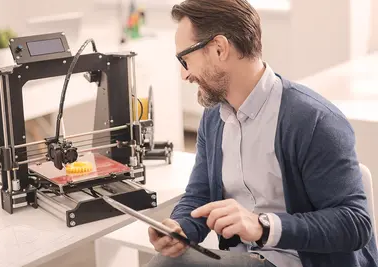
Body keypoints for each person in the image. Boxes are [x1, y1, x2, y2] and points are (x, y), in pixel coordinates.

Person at [145, 0, 378, 266]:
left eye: (184, 60)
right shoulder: (214, 118)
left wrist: (263, 227)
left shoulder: (314, 120)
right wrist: (181, 227)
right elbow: (200, 194)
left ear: (219, 49)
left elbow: (355, 224)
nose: (183, 75)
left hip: (298, 261)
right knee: (167, 259)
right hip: (245, 257)